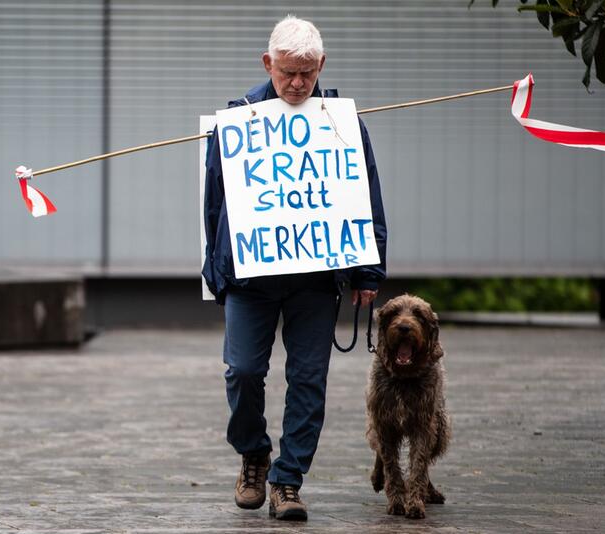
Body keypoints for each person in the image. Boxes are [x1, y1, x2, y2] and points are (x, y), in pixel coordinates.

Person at [201, 15, 388, 521]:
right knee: (241, 371)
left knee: (309, 379)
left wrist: (369, 271)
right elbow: (214, 202)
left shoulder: (342, 123)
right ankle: (254, 454)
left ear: (321, 65)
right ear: (269, 63)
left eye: (307, 73)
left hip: (315, 279)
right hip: (249, 276)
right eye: (288, 72)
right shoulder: (238, 121)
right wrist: (215, 271)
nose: (298, 83)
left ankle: (288, 481)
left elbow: (365, 195)